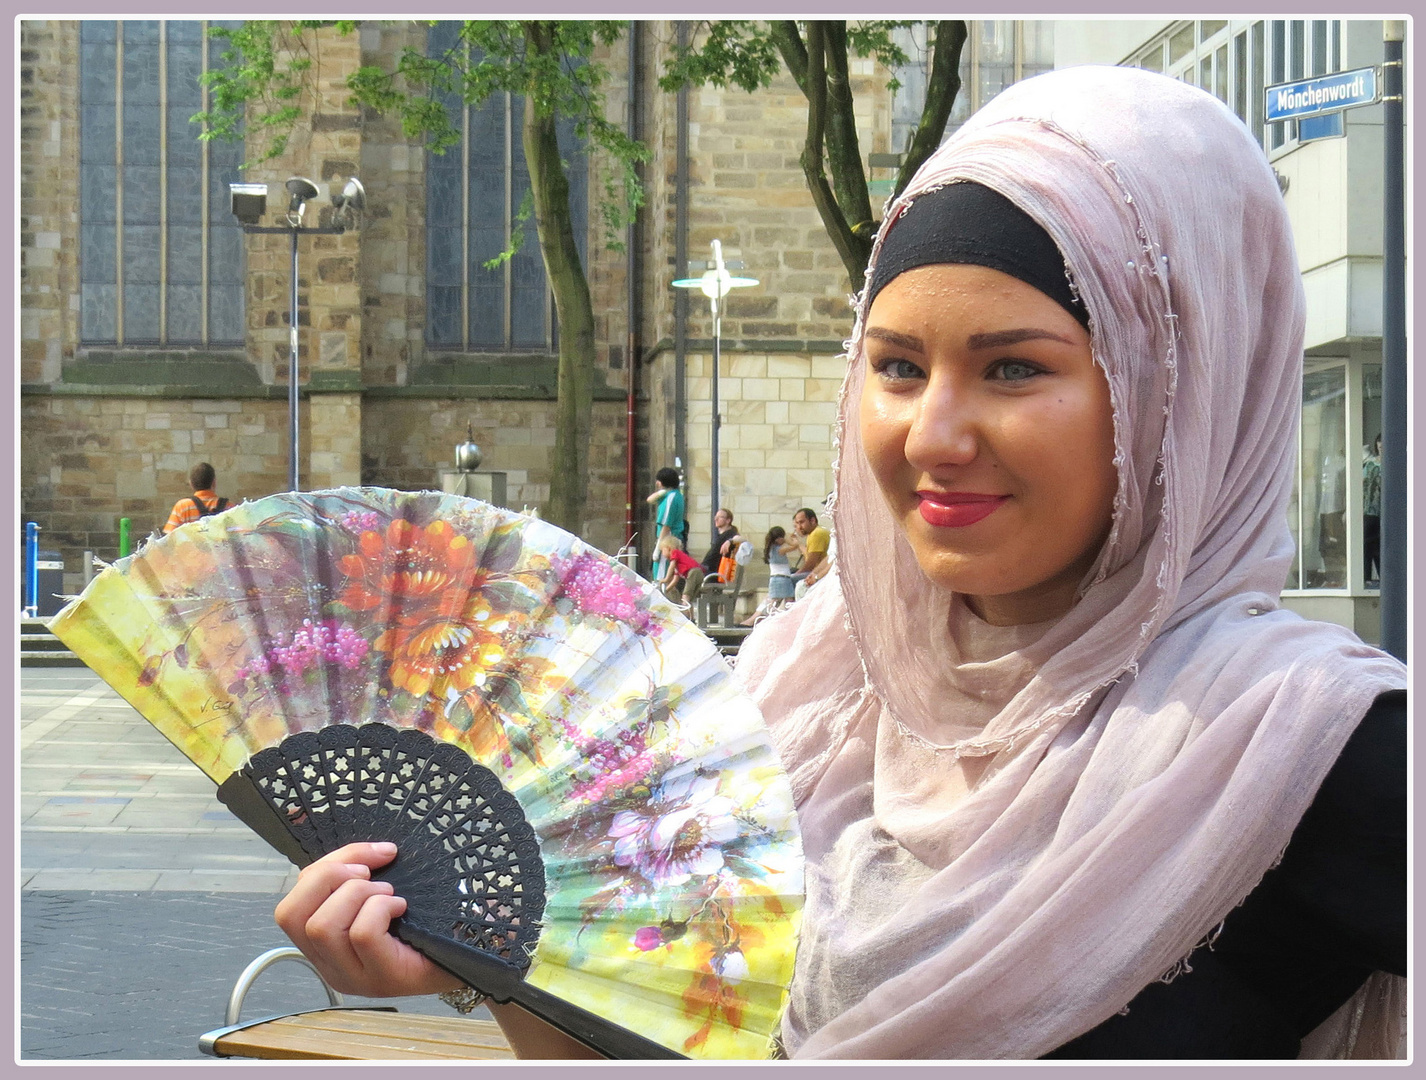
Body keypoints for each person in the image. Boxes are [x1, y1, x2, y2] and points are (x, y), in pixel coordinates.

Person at [271, 67, 1405, 1060]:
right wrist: (493, 955)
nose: (932, 434)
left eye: (1013, 369)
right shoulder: (794, 691)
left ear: (1176, 396)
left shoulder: (1310, 750)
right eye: (898, 366)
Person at [163, 462, 229, 535]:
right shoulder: (229, 507)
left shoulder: (182, 507)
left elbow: (169, 538)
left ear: (191, 484)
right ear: (214, 483)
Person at [646, 467, 685, 582]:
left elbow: (666, 525)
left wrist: (658, 548)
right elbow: (650, 499)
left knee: (661, 576)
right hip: (672, 539)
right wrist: (661, 492)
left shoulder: (670, 499)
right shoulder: (674, 495)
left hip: (668, 540)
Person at [655, 534, 704, 608]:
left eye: (662, 550)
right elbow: (675, 579)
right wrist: (666, 591)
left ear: (669, 548)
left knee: (686, 596)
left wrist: (666, 579)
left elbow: (671, 566)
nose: (662, 553)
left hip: (693, 572)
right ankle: (691, 617)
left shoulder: (675, 553)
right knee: (689, 599)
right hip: (698, 573)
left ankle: (685, 613)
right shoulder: (678, 563)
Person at [788, 508, 829, 586]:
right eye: (797, 524)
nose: (799, 527)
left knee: (788, 580)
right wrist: (798, 543)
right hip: (818, 573)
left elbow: (810, 565)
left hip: (821, 574)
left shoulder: (817, 534)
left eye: (802, 522)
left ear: (812, 520)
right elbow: (808, 555)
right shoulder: (814, 533)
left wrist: (795, 574)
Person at [700, 508, 742, 580]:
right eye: (716, 517)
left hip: (713, 572)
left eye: (720, 517)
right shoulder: (721, 535)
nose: (716, 519)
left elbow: (741, 539)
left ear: (728, 520)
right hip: (707, 569)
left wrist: (730, 541)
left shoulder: (731, 533)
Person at [1363, 434, 1382, 585]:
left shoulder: (1396, 464)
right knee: (1368, 544)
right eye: (1379, 441)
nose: (1381, 444)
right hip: (1369, 510)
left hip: (1387, 511)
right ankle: (1366, 577)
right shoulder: (1370, 465)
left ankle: (1384, 577)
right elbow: (1362, 485)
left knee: (1382, 545)